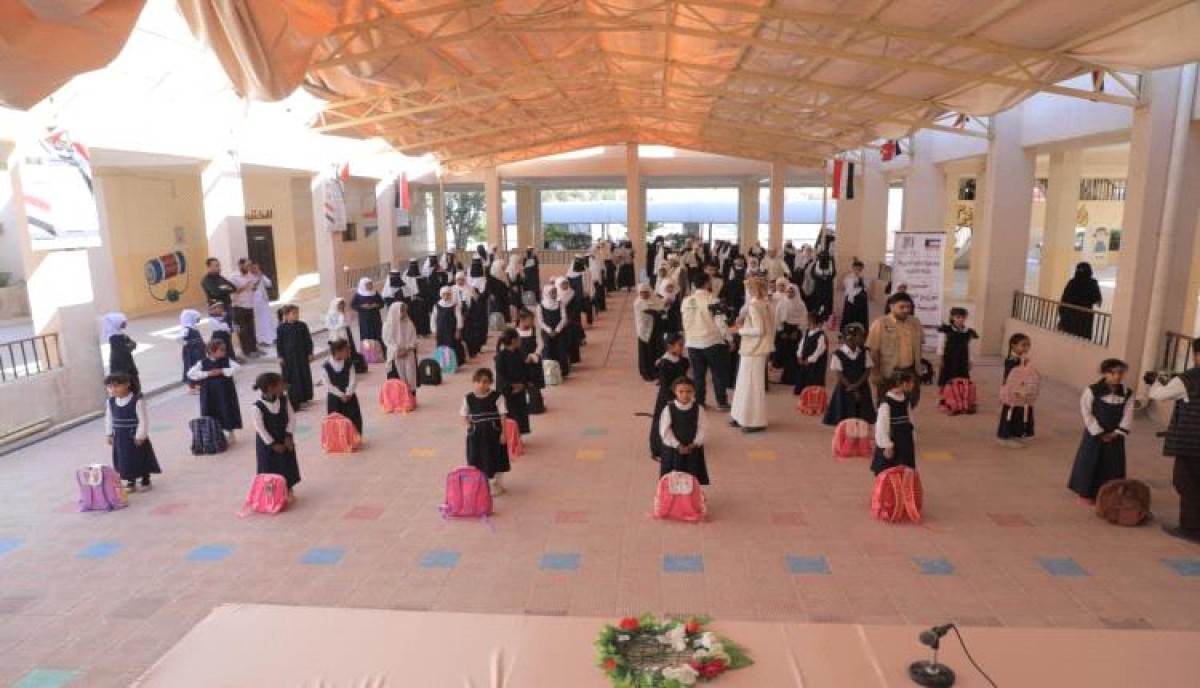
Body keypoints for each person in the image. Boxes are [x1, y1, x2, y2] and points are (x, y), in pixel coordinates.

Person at [1148, 338, 1200, 544]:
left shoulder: (1189, 378)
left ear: (1196, 355)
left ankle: (1190, 529)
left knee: (1186, 483)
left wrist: (1154, 382)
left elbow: (1160, 395)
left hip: (1192, 442)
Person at [1068, 359, 1133, 505]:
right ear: (1104, 373)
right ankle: (1085, 492)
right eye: (1112, 373)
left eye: (1120, 373)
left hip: (1115, 437)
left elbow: (1128, 414)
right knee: (1089, 462)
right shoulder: (1092, 391)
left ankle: (1110, 494)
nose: (1117, 376)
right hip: (1095, 435)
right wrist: (1099, 432)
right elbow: (1086, 412)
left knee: (1112, 465)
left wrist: (1117, 432)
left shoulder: (1127, 393)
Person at [729, 277, 774, 433]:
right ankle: (740, 415)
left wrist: (739, 331)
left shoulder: (755, 305)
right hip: (753, 349)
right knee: (744, 383)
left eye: (750, 288)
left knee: (752, 385)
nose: (748, 290)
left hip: (754, 349)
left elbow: (759, 330)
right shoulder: (766, 303)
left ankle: (755, 421)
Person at [681, 272, 731, 410]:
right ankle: (721, 402)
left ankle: (700, 402)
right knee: (717, 373)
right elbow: (720, 321)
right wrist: (729, 338)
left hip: (692, 343)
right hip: (711, 341)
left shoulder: (686, 301)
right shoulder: (712, 300)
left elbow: (684, 322)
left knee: (698, 375)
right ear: (707, 283)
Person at [105, 372, 161, 493]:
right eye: (110, 387)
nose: (113, 389)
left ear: (127, 385)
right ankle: (130, 481)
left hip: (134, 436)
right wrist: (109, 433)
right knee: (124, 459)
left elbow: (143, 420)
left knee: (140, 457)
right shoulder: (111, 402)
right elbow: (109, 418)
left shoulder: (137, 401)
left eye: (116, 386)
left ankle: (145, 479)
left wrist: (140, 436)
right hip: (120, 437)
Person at [867, 292, 925, 408]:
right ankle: (886, 426)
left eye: (908, 307)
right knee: (885, 405)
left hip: (911, 372)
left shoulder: (915, 322)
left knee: (910, 403)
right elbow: (873, 351)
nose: (905, 310)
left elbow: (920, 345)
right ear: (891, 306)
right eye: (901, 307)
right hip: (889, 373)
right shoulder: (880, 324)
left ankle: (903, 425)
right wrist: (875, 372)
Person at [251, 371, 300, 500]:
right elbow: (260, 429)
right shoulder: (257, 407)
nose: (284, 386)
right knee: (269, 468)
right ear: (270, 388)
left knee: (287, 465)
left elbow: (292, 418)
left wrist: (288, 436)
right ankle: (270, 494)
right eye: (281, 384)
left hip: (284, 439)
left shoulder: (284, 400)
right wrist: (273, 444)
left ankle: (288, 488)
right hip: (268, 445)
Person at [461, 368, 510, 496]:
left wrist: (503, 433)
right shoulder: (468, 398)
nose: (482, 385)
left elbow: (503, 415)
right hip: (476, 435)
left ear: (490, 383)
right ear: (474, 382)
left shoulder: (497, 397)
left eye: (485, 382)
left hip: (493, 433)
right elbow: (464, 414)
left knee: (496, 457)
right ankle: (481, 483)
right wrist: (469, 427)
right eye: (478, 382)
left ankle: (496, 483)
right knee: (477, 458)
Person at [659, 377, 709, 485]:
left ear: (694, 392)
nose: (685, 395)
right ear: (675, 392)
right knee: (673, 476)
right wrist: (677, 445)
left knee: (692, 474)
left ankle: (691, 497)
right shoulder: (669, 409)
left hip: (692, 448)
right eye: (681, 391)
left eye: (689, 391)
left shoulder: (698, 408)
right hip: (673, 449)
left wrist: (695, 443)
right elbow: (665, 431)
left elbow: (702, 427)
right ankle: (673, 498)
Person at [187, 339, 241, 439]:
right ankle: (214, 434)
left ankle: (230, 432)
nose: (224, 352)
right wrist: (207, 373)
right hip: (209, 393)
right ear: (212, 351)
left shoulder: (226, 360)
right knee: (211, 410)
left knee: (226, 409)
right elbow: (190, 373)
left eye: (224, 349)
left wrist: (222, 371)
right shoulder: (202, 363)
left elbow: (237, 368)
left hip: (225, 392)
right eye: (221, 350)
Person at [823, 323, 876, 425]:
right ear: (850, 337)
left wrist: (856, 385)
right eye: (860, 336)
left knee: (863, 411)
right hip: (845, 387)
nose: (863, 339)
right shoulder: (838, 354)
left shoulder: (864, 352)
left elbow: (868, 370)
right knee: (844, 409)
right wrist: (851, 387)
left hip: (861, 385)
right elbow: (839, 374)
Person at [650, 333, 690, 461]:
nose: (682, 347)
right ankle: (658, 450)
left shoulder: (682, 361)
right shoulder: (664, 364)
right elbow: (665, 384)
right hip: (666, 398)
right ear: (670, 346)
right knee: (662, 423)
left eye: (683, 344)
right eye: (680, 345)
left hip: (678, 397)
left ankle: (676, 446)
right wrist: (673, 398)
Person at [871, 370, 918, 475]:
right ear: (904, 384)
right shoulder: (886, 403)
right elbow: (881, 426)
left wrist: (912, 436)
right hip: (893, 440)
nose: (913, 385)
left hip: (905, 441)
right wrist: (887, 445)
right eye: (912, 382)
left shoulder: (906, 400)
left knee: (904, 469)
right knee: (890, 470)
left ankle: (902, 490)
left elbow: (910, 419)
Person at [997, 333, 1036, 448]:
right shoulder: (1012, 360)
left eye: (1028, 345)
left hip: (1020, 391)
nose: (1026, 348)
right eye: (1023, 345)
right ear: (1013, 346)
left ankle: (1013, 434)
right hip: (1011, 392)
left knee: (1017, 413)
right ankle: (1004, 437)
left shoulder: (1021, 359)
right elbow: (1011, 378)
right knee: (1009, 413)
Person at [275, 305, 314, 412]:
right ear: (286, 315)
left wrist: (310, 352)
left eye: (297, 313)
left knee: (304, 375)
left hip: (301, 356)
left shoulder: (302, 325)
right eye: (294, 313)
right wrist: (280, 356)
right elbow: (279, 344)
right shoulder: (281, 328)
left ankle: (305, 397)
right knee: (292, 378)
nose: (296, 315)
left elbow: (308, 340)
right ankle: (295, 400)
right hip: (288, 359)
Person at [494, 328, 531, 435]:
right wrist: (512, 386)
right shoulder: (501, 357)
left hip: (519, 390)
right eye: (519, 338)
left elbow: (523, 369)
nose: (520, 340)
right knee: (510, 415)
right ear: (514, 340)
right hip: (507, 392)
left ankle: (518, 438)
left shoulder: (518, 353)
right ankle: (510, 438)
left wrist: (523, 384)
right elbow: (501, 376)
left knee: (520, 415)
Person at [323, 340, 363, 434]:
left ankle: (354, 438)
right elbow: (328, 385)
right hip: (334, 399)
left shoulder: (349, 364)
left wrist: (348, 393)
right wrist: (340, 395)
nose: (349, 352)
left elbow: (353, 380)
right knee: (337, 421)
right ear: (338, 352)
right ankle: (339, 441)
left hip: (349, 397)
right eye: (346, 350)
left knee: (353, 418)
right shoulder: (326, 367)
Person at [1058, 262, 1103, 339]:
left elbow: (1063, 301)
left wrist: (1062, 318)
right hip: (1085, 319)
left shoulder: (1071, 282)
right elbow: (1098, 302)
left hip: (1069, 318)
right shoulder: (1092, 283)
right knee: (1082, 341)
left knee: (1068, 339)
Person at [773, 282, 807, 383]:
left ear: (796, 292)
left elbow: (803, 318)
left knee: (793, 355)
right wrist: (781, 331)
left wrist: (797, 331)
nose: (790, 293)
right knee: (781, 354)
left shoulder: (801, 304)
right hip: (783, 330)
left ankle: (791, 379)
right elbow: (777, 317)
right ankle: (779, 377)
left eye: (792, 291)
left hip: (795, 331)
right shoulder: (782, 302)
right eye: (788, 291)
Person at [935, 307, 978, 386]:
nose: (961, 319)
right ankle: (946, 396)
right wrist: (940, 359)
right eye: (958, 317)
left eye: (963, 317)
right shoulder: (946, 329)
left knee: (962, 381)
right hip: (949, 359)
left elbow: (970, 347)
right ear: (952, 317)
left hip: (962, 360)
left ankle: (959, 395)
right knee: (947, 381)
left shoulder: (969, 332)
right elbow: (941, 345)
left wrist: (970, 360)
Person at [382, 301, 419, 389]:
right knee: (396, 381)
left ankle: (410, 400)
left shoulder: (409, 324)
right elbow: (387, 340)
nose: (405, 313)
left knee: (410, 377)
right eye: (403, 311)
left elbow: (414, 339)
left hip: (408, 354)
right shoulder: (387, 325)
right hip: (395, 355)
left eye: (406, 311)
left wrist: (407, 349)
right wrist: (397, 350)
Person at [102, 312, 140, 395]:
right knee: (123, 383)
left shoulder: (119, 334)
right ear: (116, 323)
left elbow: (130, 344)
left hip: (125, 362)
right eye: (123, 322)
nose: (125, 323)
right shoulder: (114, 337)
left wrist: (131, 344)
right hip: (121, 364)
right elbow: (124, 350)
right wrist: (131, 345)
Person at [229, 258, 261, 357]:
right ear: (240, 265)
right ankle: (247, 352)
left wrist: (256, 283)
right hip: (238, 307)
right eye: (247, 265)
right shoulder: (234, 277)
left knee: (251, 329)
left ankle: (254, 349)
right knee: (243, 331)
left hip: (249, 305)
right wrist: (245, 285)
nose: (249, 267)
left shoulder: (250, 275)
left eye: (250, 265)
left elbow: (253, 289)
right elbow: (233, 291)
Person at [538, 284, 570, 379]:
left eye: (555, 292)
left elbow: (564, 318)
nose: (555, 294)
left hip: (559, 332)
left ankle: (562, 372)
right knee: (548, 351)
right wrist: (549, 330)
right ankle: (550, 374)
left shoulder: (560, 304)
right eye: (552, 292)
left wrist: (557, 330)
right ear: (547, 293)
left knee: (561, 351)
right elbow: (540, 321)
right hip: (547, 332)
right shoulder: (540, 306)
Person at [634, 283, 664, 381]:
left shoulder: (655, 300)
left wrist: (658, 312)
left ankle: (656, 371)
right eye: (641, 293)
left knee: (656, 350)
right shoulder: (638, 302)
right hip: (644, 331)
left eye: (646, 292)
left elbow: (661, 309)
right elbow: (650, 313)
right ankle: (646, 372)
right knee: (646, 352)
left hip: (656, 330)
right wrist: (657, 312)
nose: (644, 295)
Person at [432, 285, 467, 367]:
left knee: (452, 347)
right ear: (441, 294)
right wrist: (434, 331)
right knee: (441, 347)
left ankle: (452, 364)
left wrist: (458, 330)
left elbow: (459, 319)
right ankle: (443, 364)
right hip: (441, 331)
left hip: (451, 330)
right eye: (444, 294)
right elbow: (433, 319)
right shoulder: (437, 305)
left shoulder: (454, 305)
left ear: (450, 294)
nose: (446, 296)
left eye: (448, 294)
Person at [793, 311, 828, 395]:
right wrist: (799, 355)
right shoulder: (807, 332)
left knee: (813, 379)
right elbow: (801, 344)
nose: (808, 322)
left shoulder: (821, 335)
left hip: (814, 363)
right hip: (805, 360)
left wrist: (810, 359)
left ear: (816, 323)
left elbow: (820, 350)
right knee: (803, 376)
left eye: (810, 321)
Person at [351, 278, 386, 358]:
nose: (370, 286)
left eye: (371, 284)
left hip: (375, 317)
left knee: (377, 333)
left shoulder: (375, 293)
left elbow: (382, 303)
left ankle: (380, 352)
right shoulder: (358, 294)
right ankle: (368, 354)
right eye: (368, 284)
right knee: (366, 334)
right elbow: (353, 305)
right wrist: (362, 306)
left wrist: (376, 305)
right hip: (364, 319)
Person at [200, 257, 235, 328]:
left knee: (228, 330)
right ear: (209, 267)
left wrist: (222, 288)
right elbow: (216, 293)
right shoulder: (206, 280)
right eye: (216, 266)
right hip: (217, 309)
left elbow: (233, 288)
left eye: (219, 265)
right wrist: (225, 288)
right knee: (220, 332)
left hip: (227, 306)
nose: (219, 267)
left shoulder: (220, 278)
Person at [250, 262, 276, 348]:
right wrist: (258, 279)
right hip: (255, 303)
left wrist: (262, 276)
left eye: (257, 268)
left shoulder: (261, 276)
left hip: (264, 301)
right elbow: (253, 288)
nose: (256, 269)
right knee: (259, 322)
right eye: (254, 268)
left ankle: (271, 337)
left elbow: (269, 283)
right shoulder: (250, 277)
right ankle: (261, 339)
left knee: (267, 319)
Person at [180, 309, 205, 393]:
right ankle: (191, 387)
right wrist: (188, 343)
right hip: (191, 353)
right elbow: (178, 339)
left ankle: (198, 384)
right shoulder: (186, 329)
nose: (198, 320)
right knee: (191, 367)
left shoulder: (193, 327)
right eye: (197, 318)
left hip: (198, 351)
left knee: (198, 366)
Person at [842, 260, 870, 332]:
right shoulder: (848, 277)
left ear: (861, 269)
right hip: (851, 300)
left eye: (859, 269)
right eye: (856, 269)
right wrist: (855, 284)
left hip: (861, 300)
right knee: (850, 315)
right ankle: (848, 329)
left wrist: (862, 284)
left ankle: (860, 329)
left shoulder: (864, 277)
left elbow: (866, 287)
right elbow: (847, 287)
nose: (857, 271)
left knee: (860, 316)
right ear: (853, 268)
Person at [808, 251, 837, 317]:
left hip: (828, 285)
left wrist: (827, 278)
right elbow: (812, 273)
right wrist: (820, 278)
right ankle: (817, 314)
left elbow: (834, 273)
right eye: (822, 256)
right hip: (819, 285)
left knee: (827, 299)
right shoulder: (816, 262)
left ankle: (827, 314)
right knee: (818, 299)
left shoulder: (831, 262)